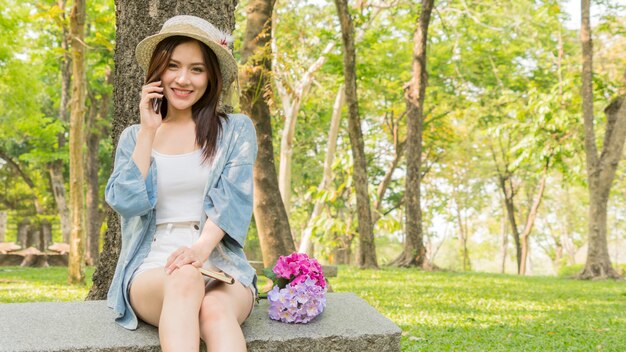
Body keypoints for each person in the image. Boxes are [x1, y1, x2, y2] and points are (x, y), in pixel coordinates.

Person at [105, 15, 258, 352]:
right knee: (184, 277)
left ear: (210, 77)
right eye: (173, 66)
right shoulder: (134, 137)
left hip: (217, 260)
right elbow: (125, 201)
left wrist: (198, 251)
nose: (183, 79)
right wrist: (148, 130)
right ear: (158, 71)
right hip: (152, 268)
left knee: (215, 311)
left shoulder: (235, 131)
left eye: (197, 69)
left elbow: (234, 200)